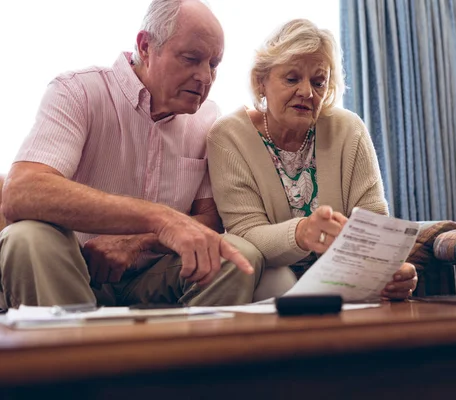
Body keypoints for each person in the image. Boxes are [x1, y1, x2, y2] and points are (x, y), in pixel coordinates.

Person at [0, 0, 264, 309]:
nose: (205, 77)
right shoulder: (78, 91)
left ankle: (188, 358)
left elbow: (208, 218)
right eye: (191, 59)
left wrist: (139, 241)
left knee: (236, 255)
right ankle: (79, 356)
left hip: (154, 275)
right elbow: (22, 191)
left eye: (214, 65)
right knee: (27, 238)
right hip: (74, 269)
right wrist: (159, 218)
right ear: (146, 45)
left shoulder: (208, 118)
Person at [207, 19, 417, 301]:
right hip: (271, 280)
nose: (307, 92)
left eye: (318, 82)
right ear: (261, 82)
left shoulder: (349, 129)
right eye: (292, 79)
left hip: (343, 278)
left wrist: (393, 271)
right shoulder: (228, 136)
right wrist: (302, 233)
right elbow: (245, 233)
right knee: (277, 279)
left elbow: (373, 221)